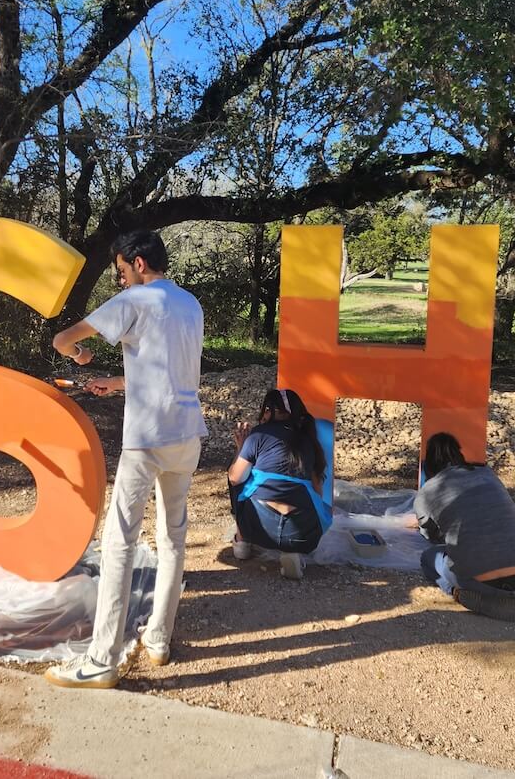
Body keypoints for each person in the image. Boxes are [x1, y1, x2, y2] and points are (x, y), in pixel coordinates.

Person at [44, 230, 207, 689]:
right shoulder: (189, 304)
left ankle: (100, 659)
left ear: (137, 263)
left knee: (119, 542)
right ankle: (158, 639)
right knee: (173, 537)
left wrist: (79, 355)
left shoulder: (135, 300)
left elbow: (63, 338)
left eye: (120, 271)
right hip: (187, 434)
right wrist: (115, 383)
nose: (120, 281)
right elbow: (166, 368)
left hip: (147, 439)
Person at [410, 432, 515, 621]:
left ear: (428, 466)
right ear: (460, 456)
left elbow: (431, 537)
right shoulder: (486, 474)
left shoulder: (426, 494)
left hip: (475, 582)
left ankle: (460, 593)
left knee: (428, 559)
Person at [228, 388, 329, 580]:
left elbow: (235, 478)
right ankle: (294, 551)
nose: (264, 413)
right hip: (304, 533)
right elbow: (318, 491)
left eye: (267, 408)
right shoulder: (309, 442)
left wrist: (240, 448)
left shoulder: (258, 435)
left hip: (257, 528)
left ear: (280, 412)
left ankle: (242, 542)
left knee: (236, 473)